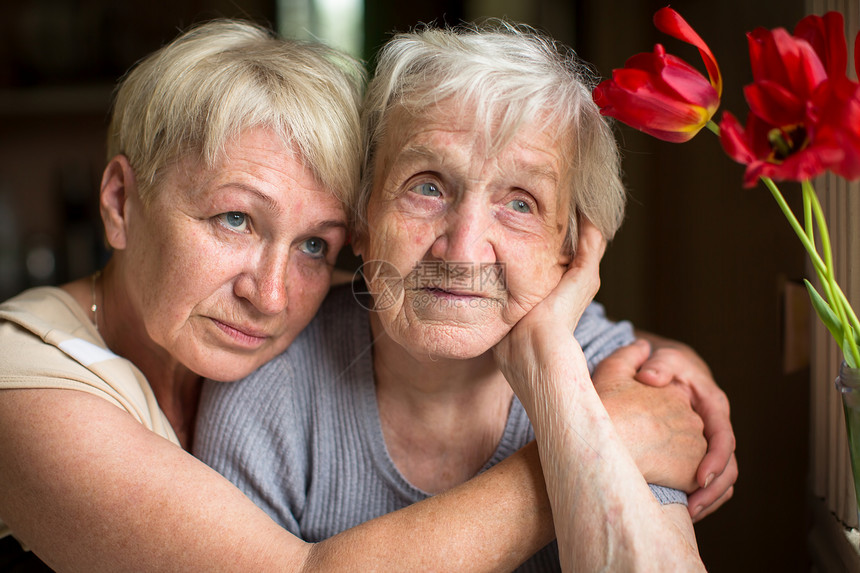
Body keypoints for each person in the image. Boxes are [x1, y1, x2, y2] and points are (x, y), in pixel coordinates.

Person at [0, 18, 733, 572]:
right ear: (121, 202)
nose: (273, 291)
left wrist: (629, 361)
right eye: (234, 218)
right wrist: (599, 439)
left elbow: (437, 288)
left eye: (315, 242)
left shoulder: (610, 370)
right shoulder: (25, 394)